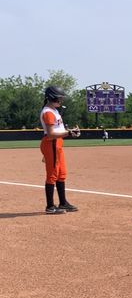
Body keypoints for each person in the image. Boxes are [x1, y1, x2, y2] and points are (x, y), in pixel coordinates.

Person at [40, 86, 79, 214]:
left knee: (61, 173)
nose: (61, 100)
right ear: (52, 97)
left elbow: (58, 130)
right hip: (51, 143)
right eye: (59, 98)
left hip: (57, 144)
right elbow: (50, 134)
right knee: (52, 175)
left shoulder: (54, 111)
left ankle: (63, 203)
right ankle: (50, 206)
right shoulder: (48, 112)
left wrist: (70, 132)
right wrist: (68, 133)